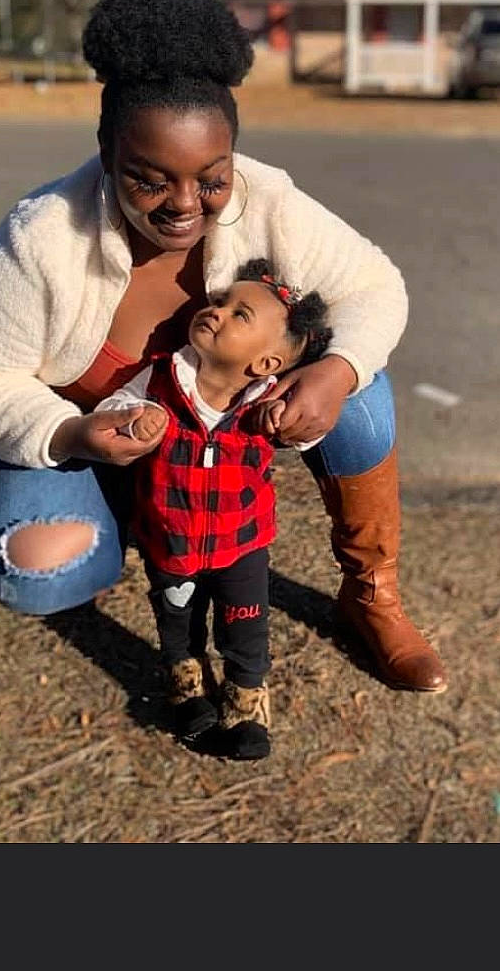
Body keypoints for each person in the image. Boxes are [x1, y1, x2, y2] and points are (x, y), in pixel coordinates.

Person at [0, 0, 447, 696]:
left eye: (211, 178)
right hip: (89, 442)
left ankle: (371, 592)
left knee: (360, 391)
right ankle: (137, 520)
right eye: (149, 179)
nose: (183, 205)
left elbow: (373, 287)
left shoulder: (267, 199)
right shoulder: (39, 238)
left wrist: (335, 373)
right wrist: (75, 435)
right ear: (107, 153)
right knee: (40, 567)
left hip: (213, 430)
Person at [96, 258, 332, 760]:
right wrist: (131, 421)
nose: (216, 311)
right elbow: (109, 409)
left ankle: (246, 703)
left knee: (244, 624)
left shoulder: (269, 401)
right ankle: (186, 683)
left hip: (242, 542)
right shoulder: (160, 380)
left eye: (238, 314)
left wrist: (292, 418)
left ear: (267, 363)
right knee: (177, 616)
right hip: (169, 536)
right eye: (220, 301)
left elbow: (316, 427)